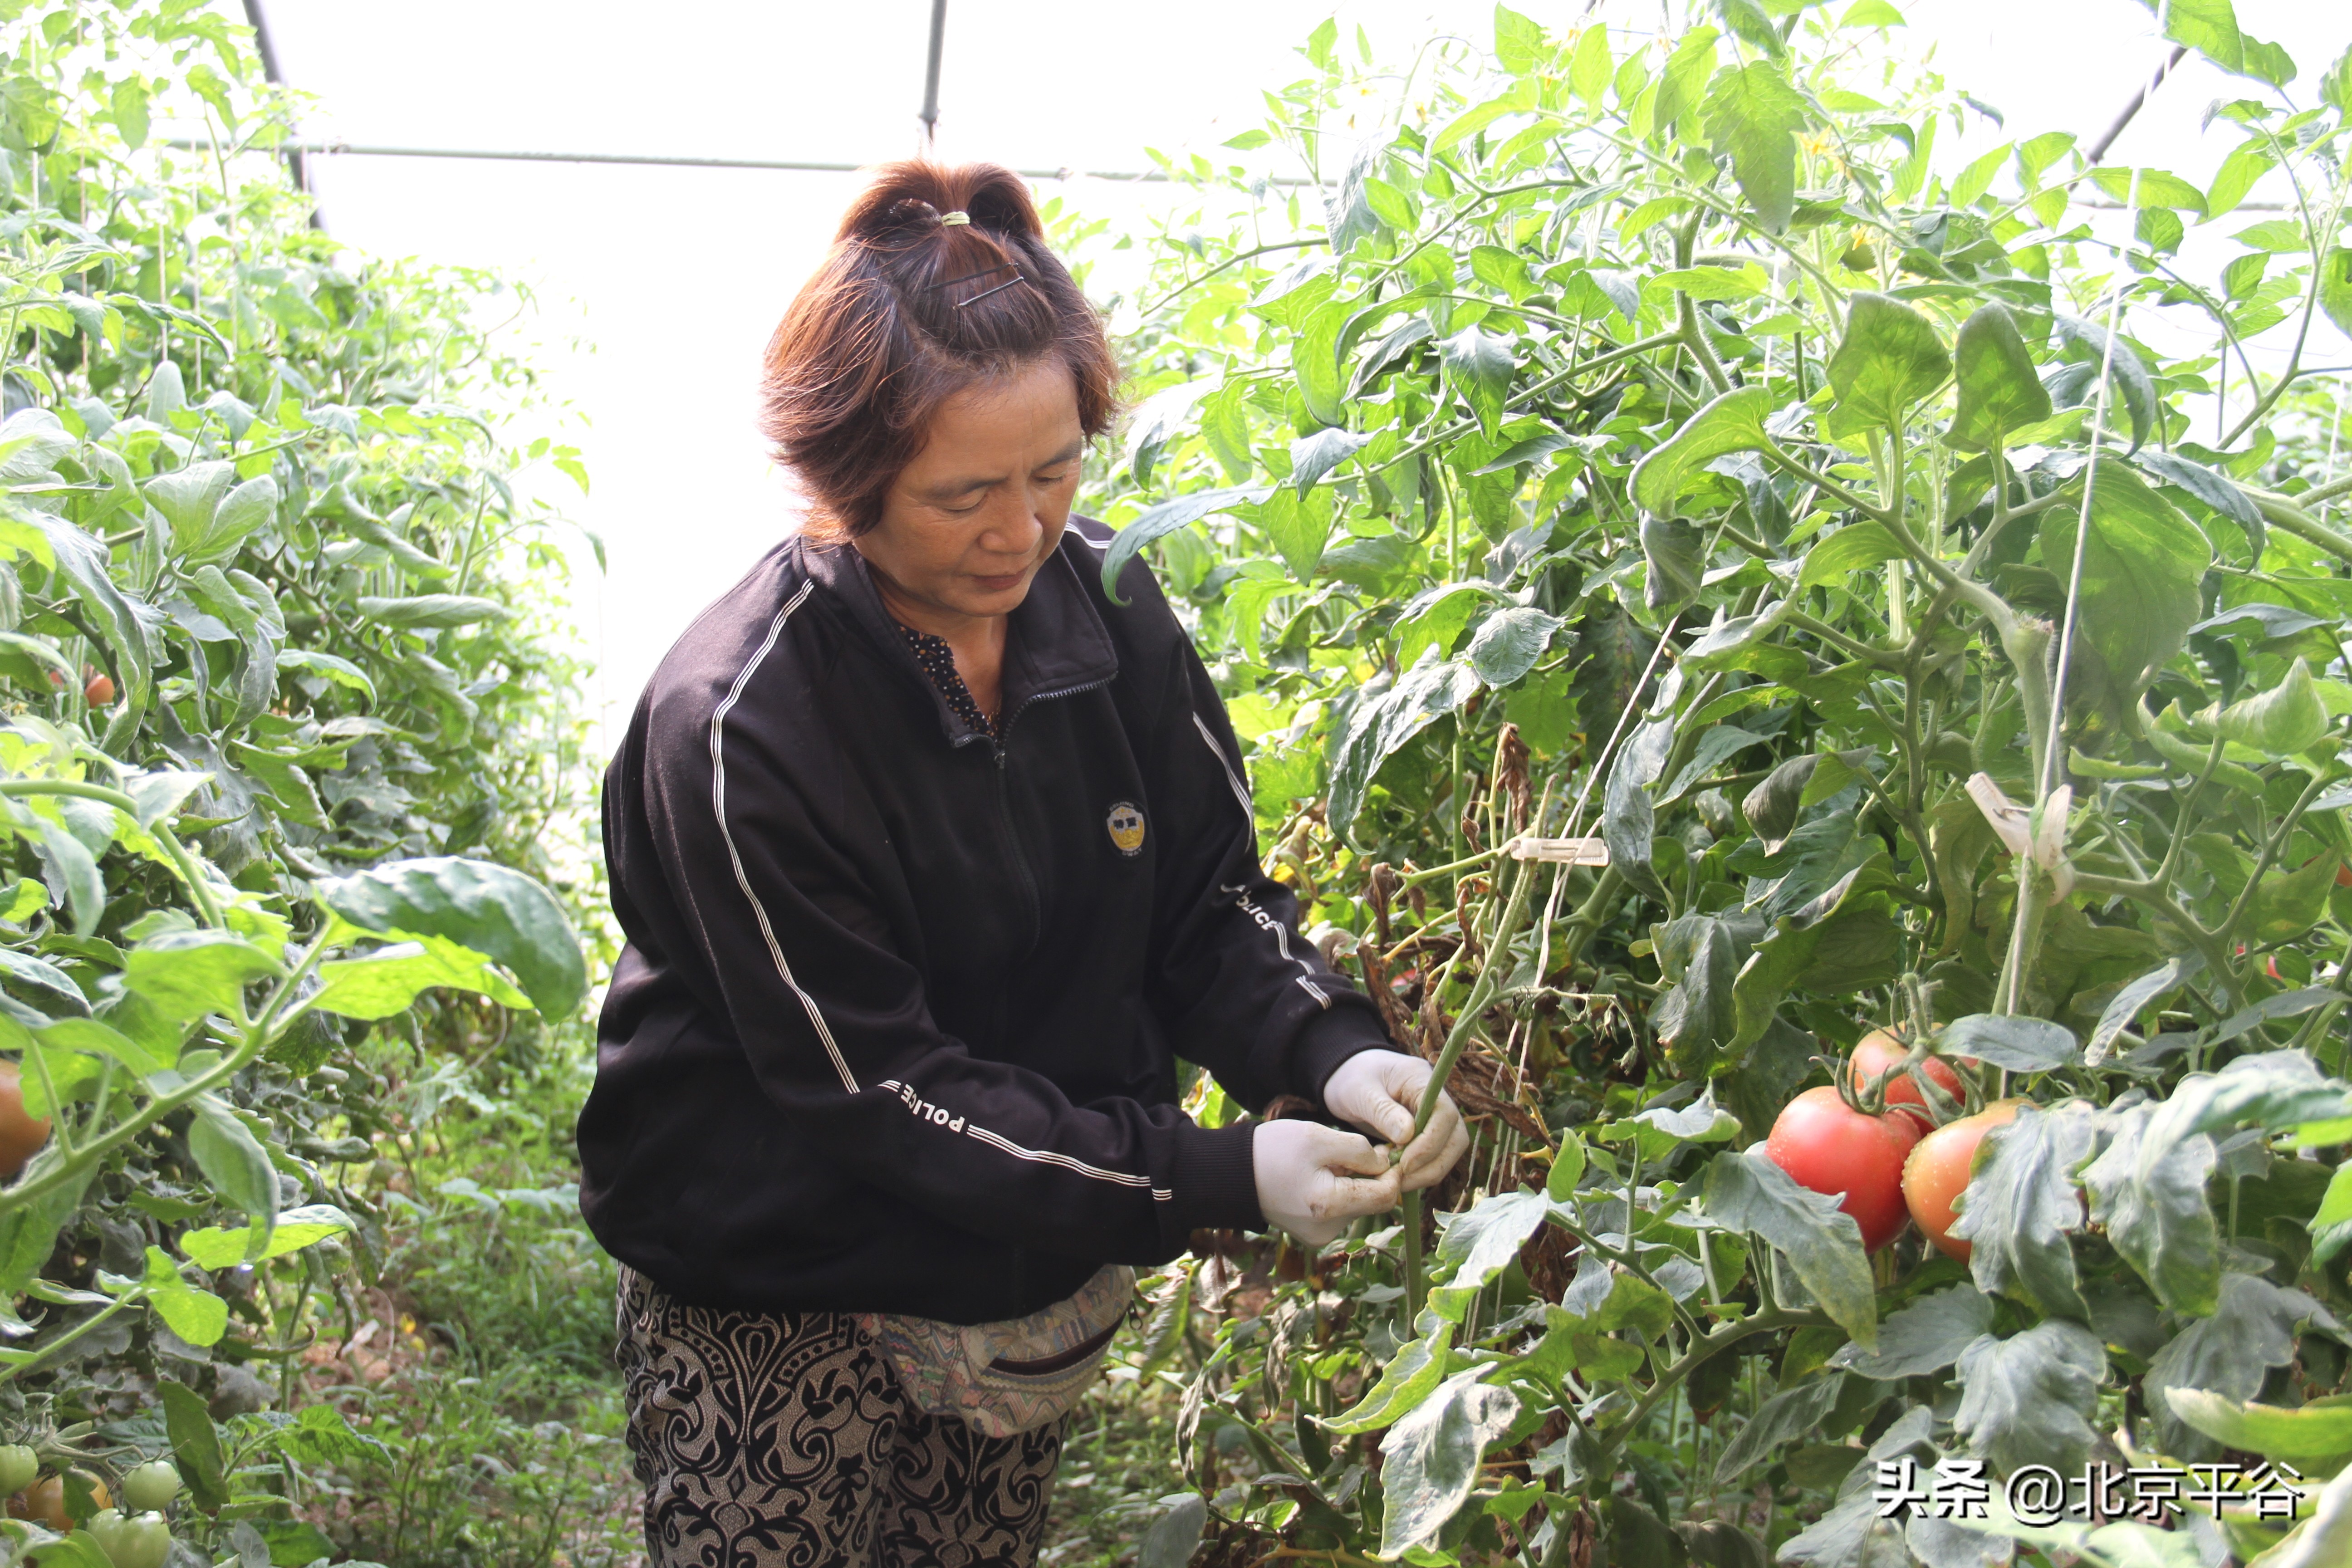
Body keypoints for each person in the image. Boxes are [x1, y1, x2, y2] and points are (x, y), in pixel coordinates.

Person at [577, 159, 1470, 1568]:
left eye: (1054, 472)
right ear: (847, 484)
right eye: (963, 496)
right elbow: (884, 1088)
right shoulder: (744, 726)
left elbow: (1207, 904)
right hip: (780, 1267)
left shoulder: (1109, 606)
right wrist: (1217, 1175)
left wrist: (1332, 1044)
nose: (1021, 531)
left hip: (1022, 1255)